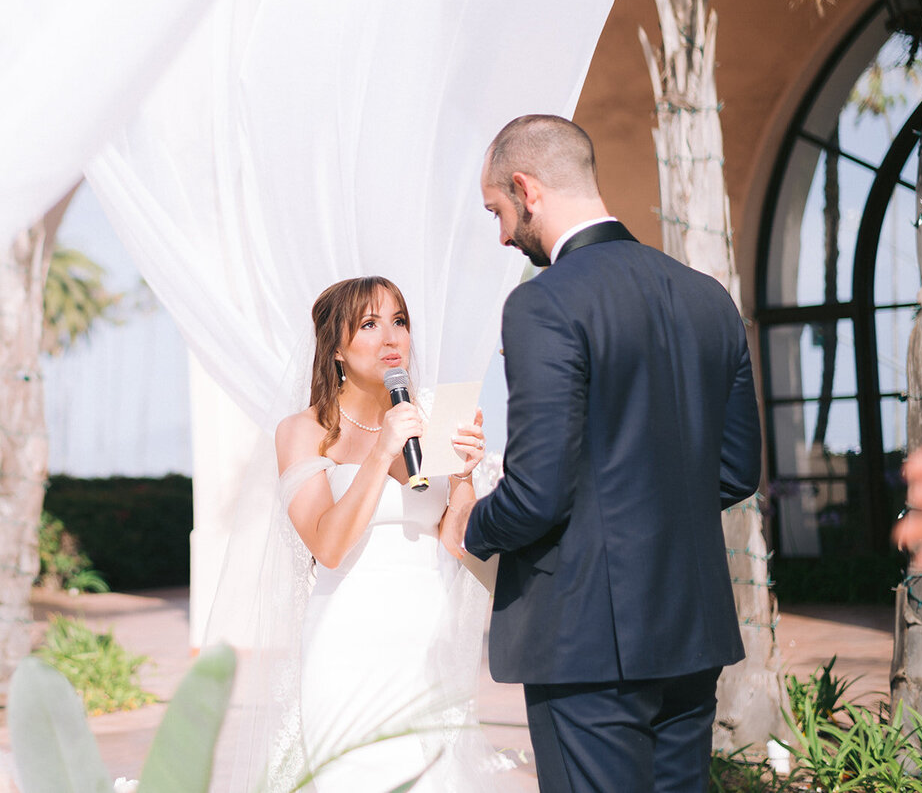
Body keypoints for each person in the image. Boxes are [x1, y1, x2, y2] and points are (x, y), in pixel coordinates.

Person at [445, 115, 762, 793]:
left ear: (526, 189)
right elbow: (736, 471)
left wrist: (470, 522)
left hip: (585, 642)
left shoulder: (544, 305)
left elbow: (537, 492)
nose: (502, 235)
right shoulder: (710, 300)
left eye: (497, 212)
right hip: (690, 629)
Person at [267, 275, 505, 791]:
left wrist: (464, 475)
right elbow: (327, 547)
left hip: (426, 638)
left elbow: (456, 542)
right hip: (348, 641)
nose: (392, 338)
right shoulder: (303, 430)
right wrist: (381, 453)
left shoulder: (436, 415)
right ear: (335, 348)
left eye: (400, 321)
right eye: (370, 325)